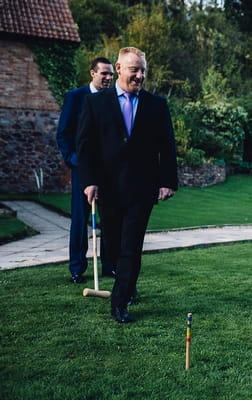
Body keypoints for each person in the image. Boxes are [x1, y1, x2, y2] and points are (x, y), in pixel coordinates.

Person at [77, 47, 178, 323]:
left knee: (131, 246)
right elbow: (85, 148)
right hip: (107, 188)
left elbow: (167, 147)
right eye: (134, 69)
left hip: (142, 189)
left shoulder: (156, 105)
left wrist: (167, 181)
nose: (140, 75)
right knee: (112, 246)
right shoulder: (95, 104)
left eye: (143, 70)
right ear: (119, 69)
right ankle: (128, 286)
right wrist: (89, 182)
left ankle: (119, 303)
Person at [56, 57, 115, 283]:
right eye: (104, 74)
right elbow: (63, 133)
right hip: (83, 168)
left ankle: (109, 265)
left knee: (109, 218)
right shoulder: (75, 97)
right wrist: (73, 160)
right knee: (80, 219)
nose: (109, 78)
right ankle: (77, 269)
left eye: (111, 74)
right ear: (93, 73)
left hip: (108, 170)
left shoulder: (113, 99)